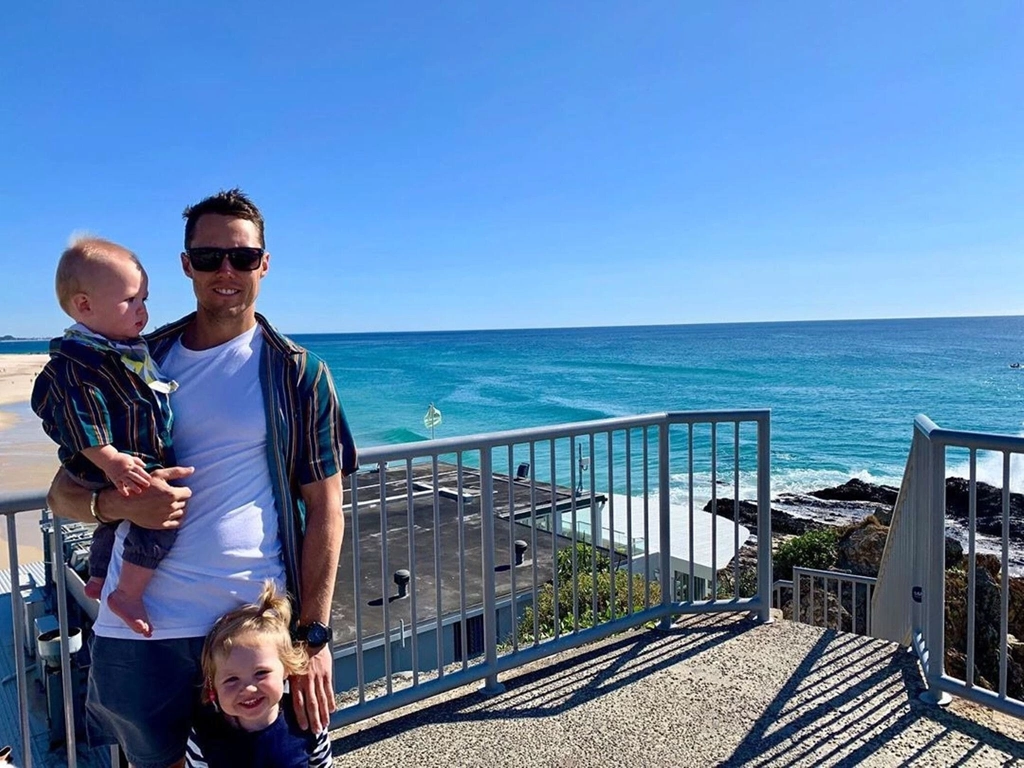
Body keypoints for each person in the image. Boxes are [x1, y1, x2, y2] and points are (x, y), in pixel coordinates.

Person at [47, 188, 357, 768]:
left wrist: (313, 638)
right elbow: (62, 492)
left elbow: (326, 506)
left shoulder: (299, 373)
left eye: (242, 257)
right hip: (140, 629)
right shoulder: (131, 360)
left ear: (263, 263)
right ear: (186, 264)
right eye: (210, 256)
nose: (226, 270)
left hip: (251, 631)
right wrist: (119, 505)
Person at [32, 237, 178, 638]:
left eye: (145, 298)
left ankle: (98, 577)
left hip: (118, 458)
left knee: (113, 526)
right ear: (84, 305)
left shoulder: (119, 349)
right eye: (131, 300)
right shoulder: (84, 360)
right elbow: (84, 416)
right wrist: (112, 461)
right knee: (160, 519)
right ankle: (128, 594)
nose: (143, 311)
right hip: (110, 460)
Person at [185, 581, 332, 768]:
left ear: (287, 668)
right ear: (212, 683)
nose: (248, 688)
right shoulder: (203, 734)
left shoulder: (306, 722)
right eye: (231, 679)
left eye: (261, 673)